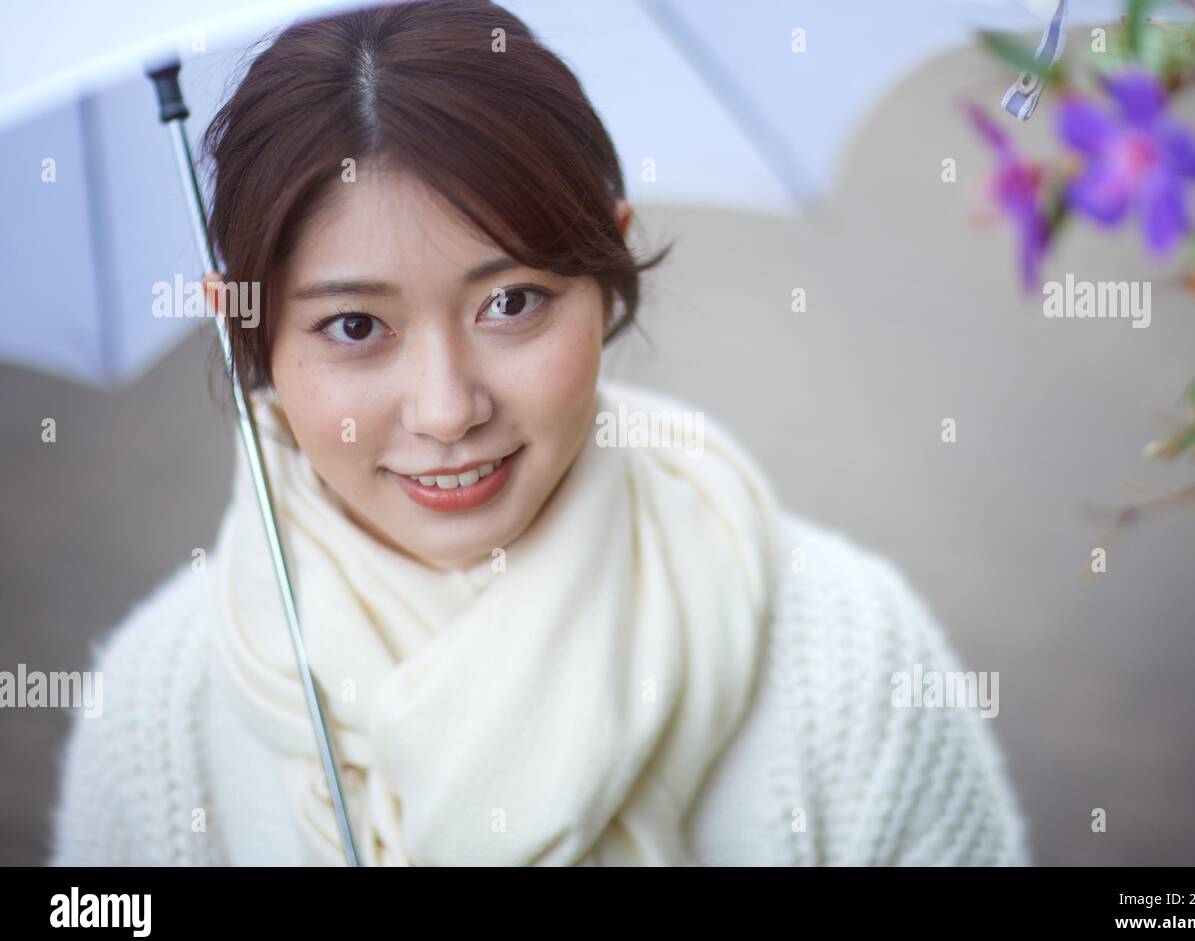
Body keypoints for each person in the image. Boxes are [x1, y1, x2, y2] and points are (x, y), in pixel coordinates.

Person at [48, 0, 1029, 866]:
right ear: (241, 327)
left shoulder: (847, 658)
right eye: (354, 327)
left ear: (606, 272)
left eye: (512, 301)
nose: (445, 410)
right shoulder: (161, 710)